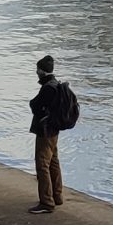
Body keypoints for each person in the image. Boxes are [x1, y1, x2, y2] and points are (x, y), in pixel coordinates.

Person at [28, 56, 79, 214]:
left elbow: (35, 105)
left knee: (42, 164)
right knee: (53, 162)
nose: (36, 72)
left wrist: (34, 105)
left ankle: (46, 202)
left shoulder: (48, 88)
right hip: (54, 130)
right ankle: (57, 196)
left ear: (41, 71)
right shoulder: (56, 84)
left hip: (45, 130)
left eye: (37, 69)